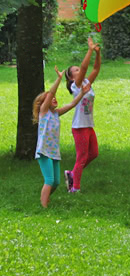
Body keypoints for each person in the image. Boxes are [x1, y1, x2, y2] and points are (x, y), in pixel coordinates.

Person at [32, 67, 90, 208]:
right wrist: (58, 79)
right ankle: (44, 207)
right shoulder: (44, 112)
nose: (54, 99)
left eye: (55, 98)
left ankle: (44, 198)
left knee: (56, 182)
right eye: (51, 99)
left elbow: (71, 104)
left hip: (54, 151)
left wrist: (81, 93)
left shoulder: (55, 113)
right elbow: (52, 92)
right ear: (43, 104)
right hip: (44, 150)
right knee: (49, 180)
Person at [63, 37, 101, 193]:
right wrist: (90, 49)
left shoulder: (86, 83)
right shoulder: (76, 85)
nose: (79, 71)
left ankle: (72, 173)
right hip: (79, 126)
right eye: (76, 71)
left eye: (78, 69)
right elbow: (85, 67)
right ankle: (75, 188)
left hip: (88, 124)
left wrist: (97, 54)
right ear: (72, 78)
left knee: (94, 153)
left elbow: (96, 69)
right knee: (82, 157)